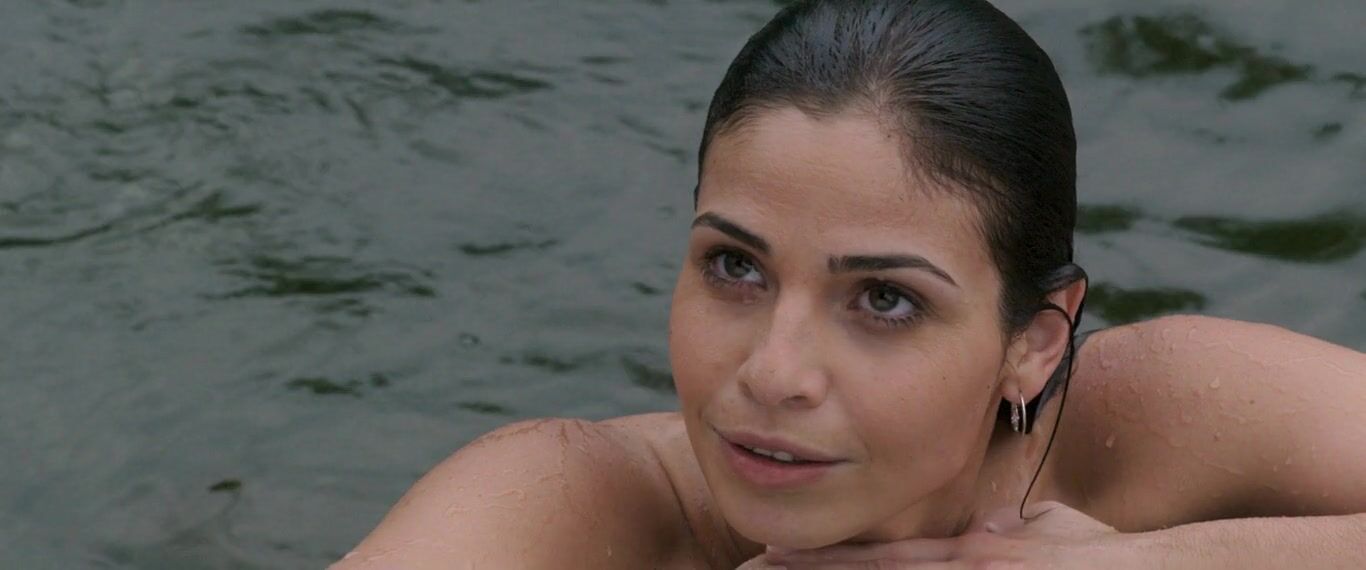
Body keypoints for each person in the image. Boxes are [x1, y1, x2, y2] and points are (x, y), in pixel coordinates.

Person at [332, 1, 1366, 567]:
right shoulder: (569, 502)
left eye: (884, 299)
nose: (772, 373)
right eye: (734, 266)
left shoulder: (1156, 421)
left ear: (1036, 341)